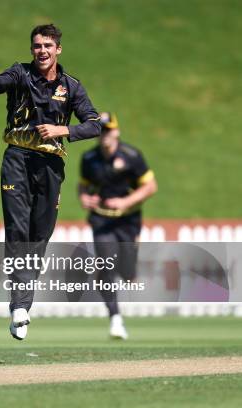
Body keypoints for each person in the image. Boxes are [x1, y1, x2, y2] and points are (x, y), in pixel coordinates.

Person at [0, 24, 101, 340]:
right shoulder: (19, 73)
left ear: (58, 49)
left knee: (39, 234)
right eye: (37, 46)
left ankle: (21, 304)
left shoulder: (71, 87)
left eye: (47, 46)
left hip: (51, 166)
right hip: (17, 158)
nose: (41, 51)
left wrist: (62, 131)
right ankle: (19, 306)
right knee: (17, 230)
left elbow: (95, 125)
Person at [77, 112, 158, 339]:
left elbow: (151, 186)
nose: (105, 135)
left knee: (127, 271)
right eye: (101, 130)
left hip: (128, 220)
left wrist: (126, 202)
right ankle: (115, 318)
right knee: (105, 265)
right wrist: (84, 198)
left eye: (108, 130)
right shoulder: (89, 158)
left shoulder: (132, 156)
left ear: (117, 132)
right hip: (101, 220)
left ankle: (128, 272)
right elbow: (83, 186)